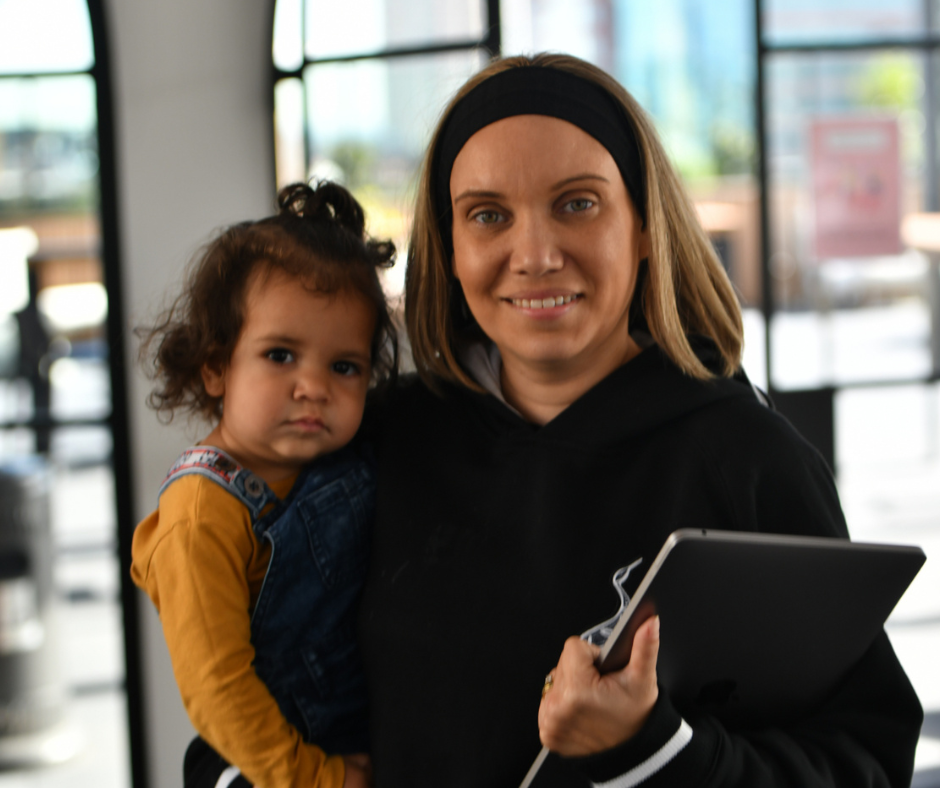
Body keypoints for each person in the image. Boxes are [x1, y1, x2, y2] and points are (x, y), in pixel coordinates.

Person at [357, 53, 922, 787]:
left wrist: (656, 751)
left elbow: (862, 766)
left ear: (646, 226)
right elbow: (250, 698)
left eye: (578, 203)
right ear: (452, 246)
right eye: (489, 215)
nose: (534, 255)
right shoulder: (381, 444)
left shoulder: (748, 462)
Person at [132, 181, 397, 788]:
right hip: (287, 765)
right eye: (280, 355)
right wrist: (314, 779)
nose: (314, 386)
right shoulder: (201, 513)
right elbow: (216, 688)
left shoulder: (348, 455)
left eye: (344, 366)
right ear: (217, 366)